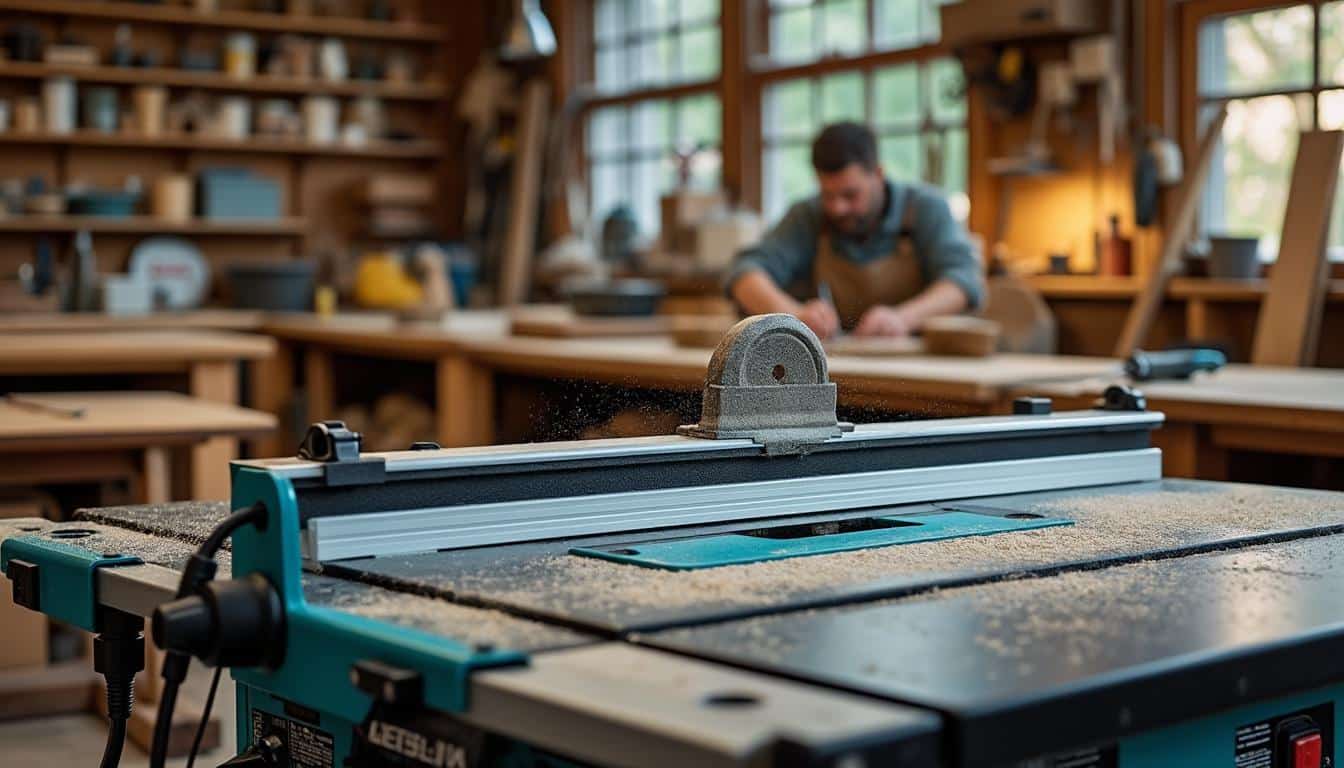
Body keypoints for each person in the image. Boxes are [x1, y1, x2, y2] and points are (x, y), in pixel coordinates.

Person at [727, 121, 984, 339]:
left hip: (921, 368)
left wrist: (903, 319)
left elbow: (963, 281)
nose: (838, 208)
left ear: (878, 174)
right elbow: (745, 273)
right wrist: (794, 317)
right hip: (837, 367)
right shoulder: (809, 215)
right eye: (828, 195)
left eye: (850, 195)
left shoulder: (925, 209)